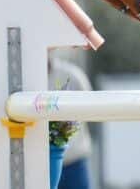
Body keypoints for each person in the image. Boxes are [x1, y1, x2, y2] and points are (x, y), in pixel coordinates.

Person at [49, 55, 94, 189]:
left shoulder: (71, 75)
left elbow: (92, 107)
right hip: (42, 162)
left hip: (73, 161)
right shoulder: (27, 79)